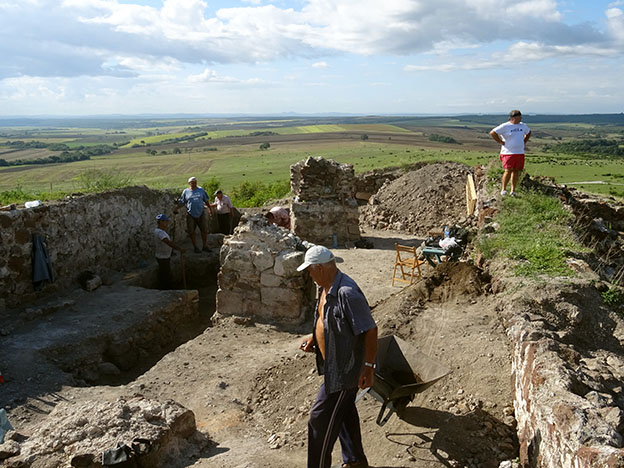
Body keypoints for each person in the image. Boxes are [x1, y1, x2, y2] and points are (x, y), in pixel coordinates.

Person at [298, 245, 378, 468]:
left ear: (320, 268)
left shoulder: (347, 293)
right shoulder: (324, 287)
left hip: (345, 372)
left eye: (310, 270)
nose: (309, 274)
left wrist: (368, 367)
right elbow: (325, 319)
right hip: (333, 366)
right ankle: (355, 461)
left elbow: (370, 330)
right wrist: (315, 337)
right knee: (343, 411)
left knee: (319, 420)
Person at [489, 110, 531, 197]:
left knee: (516, 171)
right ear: (513, 118)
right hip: (508, 153)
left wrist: (524, 141)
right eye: (519, 117)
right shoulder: (505, 126)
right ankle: (503, 190)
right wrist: (500, 142)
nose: (521, 119)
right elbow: (493, 133)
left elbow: (529, 132)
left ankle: (513, 191)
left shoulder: (523, 125)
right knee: (508, 170)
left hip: (519, 152)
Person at [174, 177, 214, 253]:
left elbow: (206, 200)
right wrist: (176, 208)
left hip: (201, 213)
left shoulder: (201, 190)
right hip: (190, 214)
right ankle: (195, 247)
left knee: (204, 230)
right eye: (192, 182)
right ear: (189, 183)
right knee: (191, 231)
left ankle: (204, 246)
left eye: (195, 182)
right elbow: (183, 202)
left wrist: (210, 209)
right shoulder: (186, 191)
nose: (194, 184)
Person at [154, 214, 184, 289]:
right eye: (166, 222)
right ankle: (165, 288)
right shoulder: (160, 233)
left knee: (164, 273)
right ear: (161, 222)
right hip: (162, 257)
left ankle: (164, 287)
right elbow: (167, 242)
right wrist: (179, 248)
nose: (167, 223)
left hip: (164, 255)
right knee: (165, 274)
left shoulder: (160, 231)